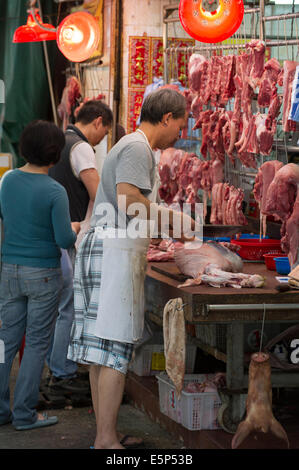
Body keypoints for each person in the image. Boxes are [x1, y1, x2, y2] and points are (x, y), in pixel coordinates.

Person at [67, 88, 195, 449]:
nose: (180, 134)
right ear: (166, 118)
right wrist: (173, 220)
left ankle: (104, 434)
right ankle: (106, 440)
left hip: (107, 246)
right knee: (113, 348)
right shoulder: (138, 147)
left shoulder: (129, 146)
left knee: (100, 350)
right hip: (114, 251)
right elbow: (127, 197)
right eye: (180, 125)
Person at [0, 120, 80, 430]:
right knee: (35, 344)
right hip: (44, 274)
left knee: (5, 341)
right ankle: (24, 414)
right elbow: (63, 240)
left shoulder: (8, 181)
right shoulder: (54, 190)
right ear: (55, 154)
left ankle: (2, 411)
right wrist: (75, 228)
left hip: (10, 271)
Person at [46, 100, 113, 394]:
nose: (101, 140)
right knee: (69, 308)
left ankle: (58, 365)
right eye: (104, 132)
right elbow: (98, 193)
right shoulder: (82, 147)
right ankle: (63, 371)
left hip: (53, 232)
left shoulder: (61, 139)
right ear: (97, 121)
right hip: (69, 233)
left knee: (58, 308)